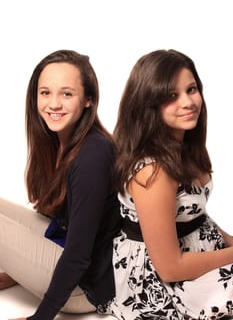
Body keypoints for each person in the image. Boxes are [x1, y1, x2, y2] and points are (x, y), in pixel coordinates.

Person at [104, 49, 233, 320]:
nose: (188, 102)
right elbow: (170, 268)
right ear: (148, 104)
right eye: (171, 96)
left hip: (198, 254)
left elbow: (196, 217)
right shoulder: (153, 171)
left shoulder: (186, 146)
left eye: (191, 89)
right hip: (161, 284)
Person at [0, 49, 121, 320]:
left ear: (88, 99)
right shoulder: (60, 141)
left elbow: (78, 254)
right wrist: (19, 269)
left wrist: (40, 318)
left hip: (85, 289)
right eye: (45, 93)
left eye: (66, 94)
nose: (53, 104)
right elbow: (61, 222)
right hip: (68, 257)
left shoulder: (93, 155)